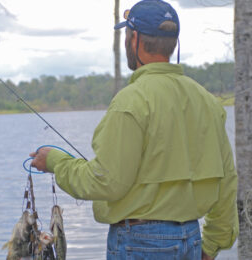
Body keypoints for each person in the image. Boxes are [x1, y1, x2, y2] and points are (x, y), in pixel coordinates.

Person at [30, 0, 239, 259]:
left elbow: (105, 182)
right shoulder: (208, 102)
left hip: (139, 244)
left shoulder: (131, 101)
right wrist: (211, 244)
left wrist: (55, 161)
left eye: (127, 34)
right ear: (173, 43)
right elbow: (227, 182)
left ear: (134, 38)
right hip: (191, 240)